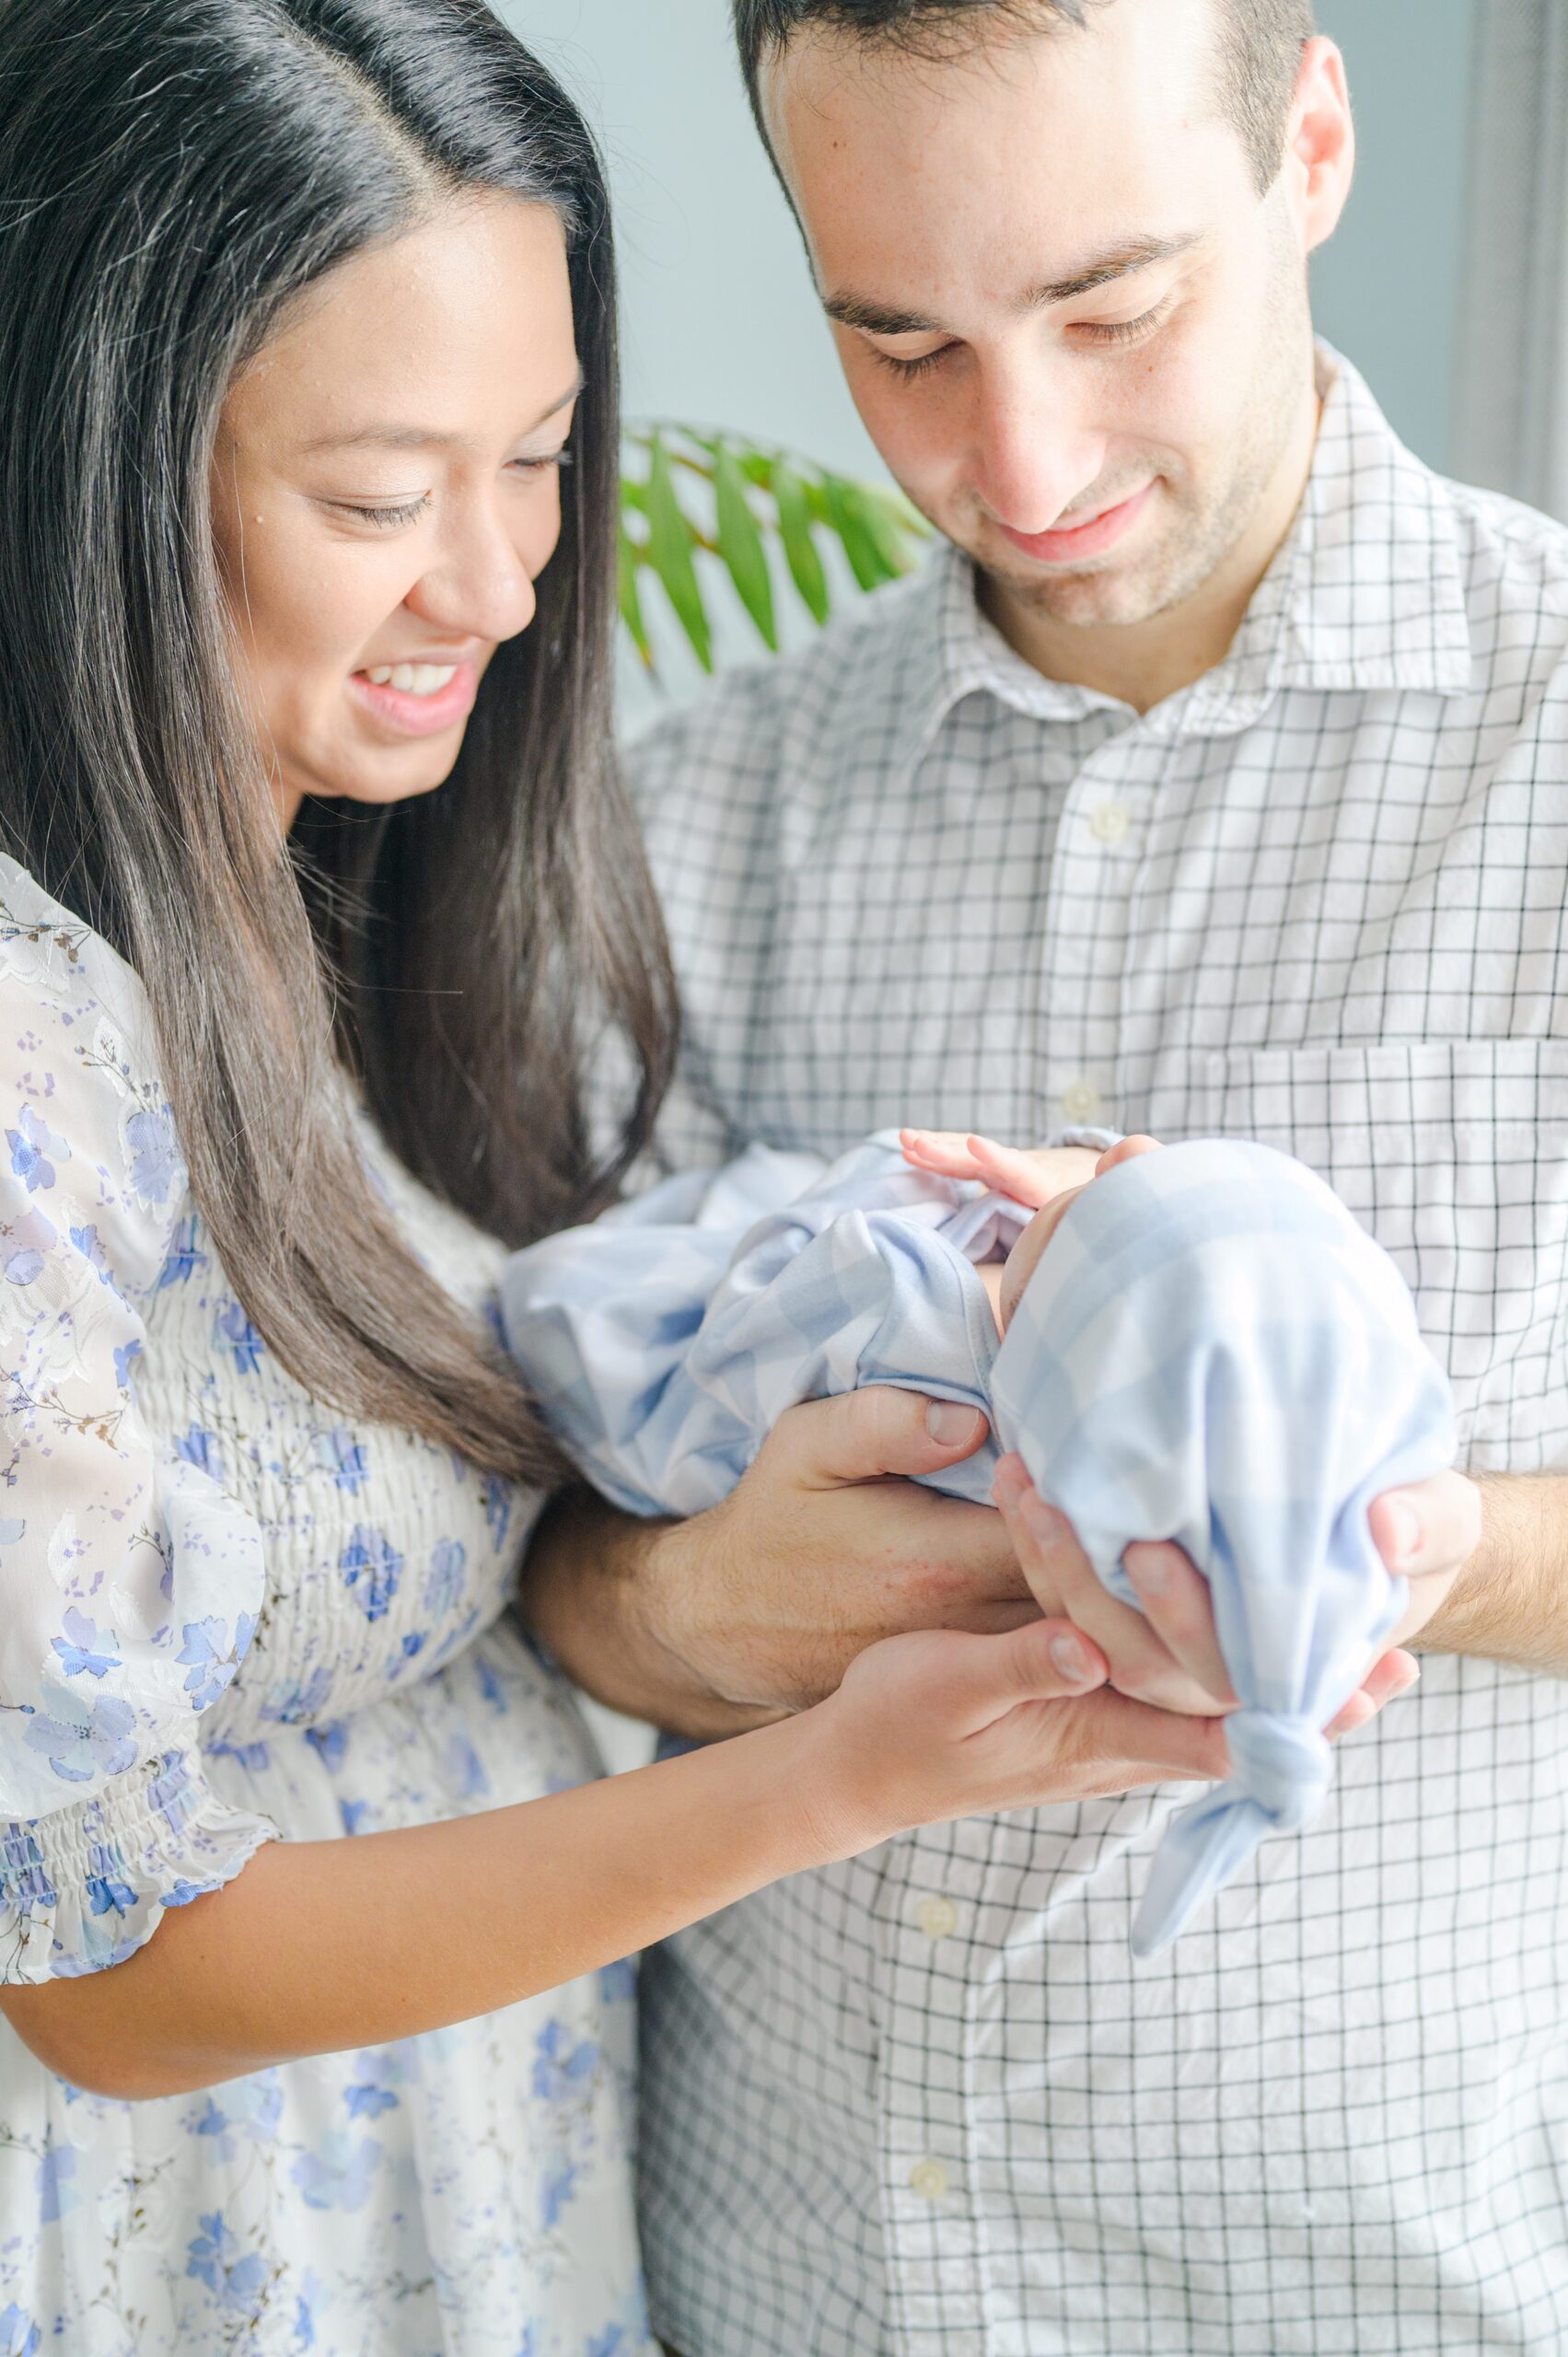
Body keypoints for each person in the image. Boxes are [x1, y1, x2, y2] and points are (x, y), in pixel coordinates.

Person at [0, 5, 1264, 2351]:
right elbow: (97, 1958)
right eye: (378, 497)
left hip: (480, 2216)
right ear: (93, 467)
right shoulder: (28, 1031)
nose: (491, 584)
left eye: (543, 457)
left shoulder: (342, 927)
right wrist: (828, 1770)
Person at [518, 1, 1566, 2350]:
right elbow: (538, 1555)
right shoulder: (706, 822)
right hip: (768, 2282)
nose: (1021, 453)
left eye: (1115, 310)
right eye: (901, 344)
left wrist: (1423, 1547)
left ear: (1309, 143)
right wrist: (691, 1609)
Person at [502, 1120, 1454, 1954]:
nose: (1117, 1152)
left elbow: (776, 1288)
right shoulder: (1097, 1499)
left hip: (611, 1359)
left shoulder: (914, 1333)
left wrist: (954, 1223)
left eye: (1121, 1191)